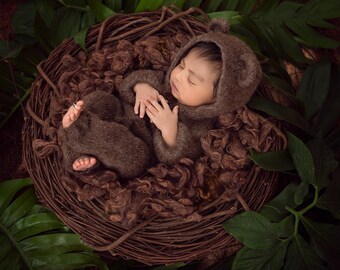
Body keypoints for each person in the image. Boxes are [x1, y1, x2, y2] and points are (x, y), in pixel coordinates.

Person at [58, 19, 262, 179]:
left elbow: (182, 158)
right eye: (181, 65)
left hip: (137, 147)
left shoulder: (200, 123)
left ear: (215, 101)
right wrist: (142, 87)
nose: (179, 77)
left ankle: (79, 132)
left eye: (191, 81)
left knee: (131, 157)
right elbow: (128, 84)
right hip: (122, 114)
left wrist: (170, 132)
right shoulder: (166, 82)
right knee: (100, 100)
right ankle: (79, 148)